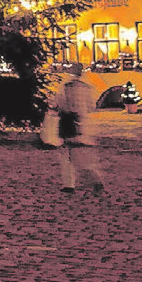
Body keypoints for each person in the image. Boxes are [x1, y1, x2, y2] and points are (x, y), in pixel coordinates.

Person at [54, 62, 105, 194]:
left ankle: (70, 184)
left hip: (70, 125)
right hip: (85, 126)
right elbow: (92, 106)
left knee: (68, 157)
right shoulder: (87, 87)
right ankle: (95, 179)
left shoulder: (66, 86)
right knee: (85, 157)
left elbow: (61, 104)